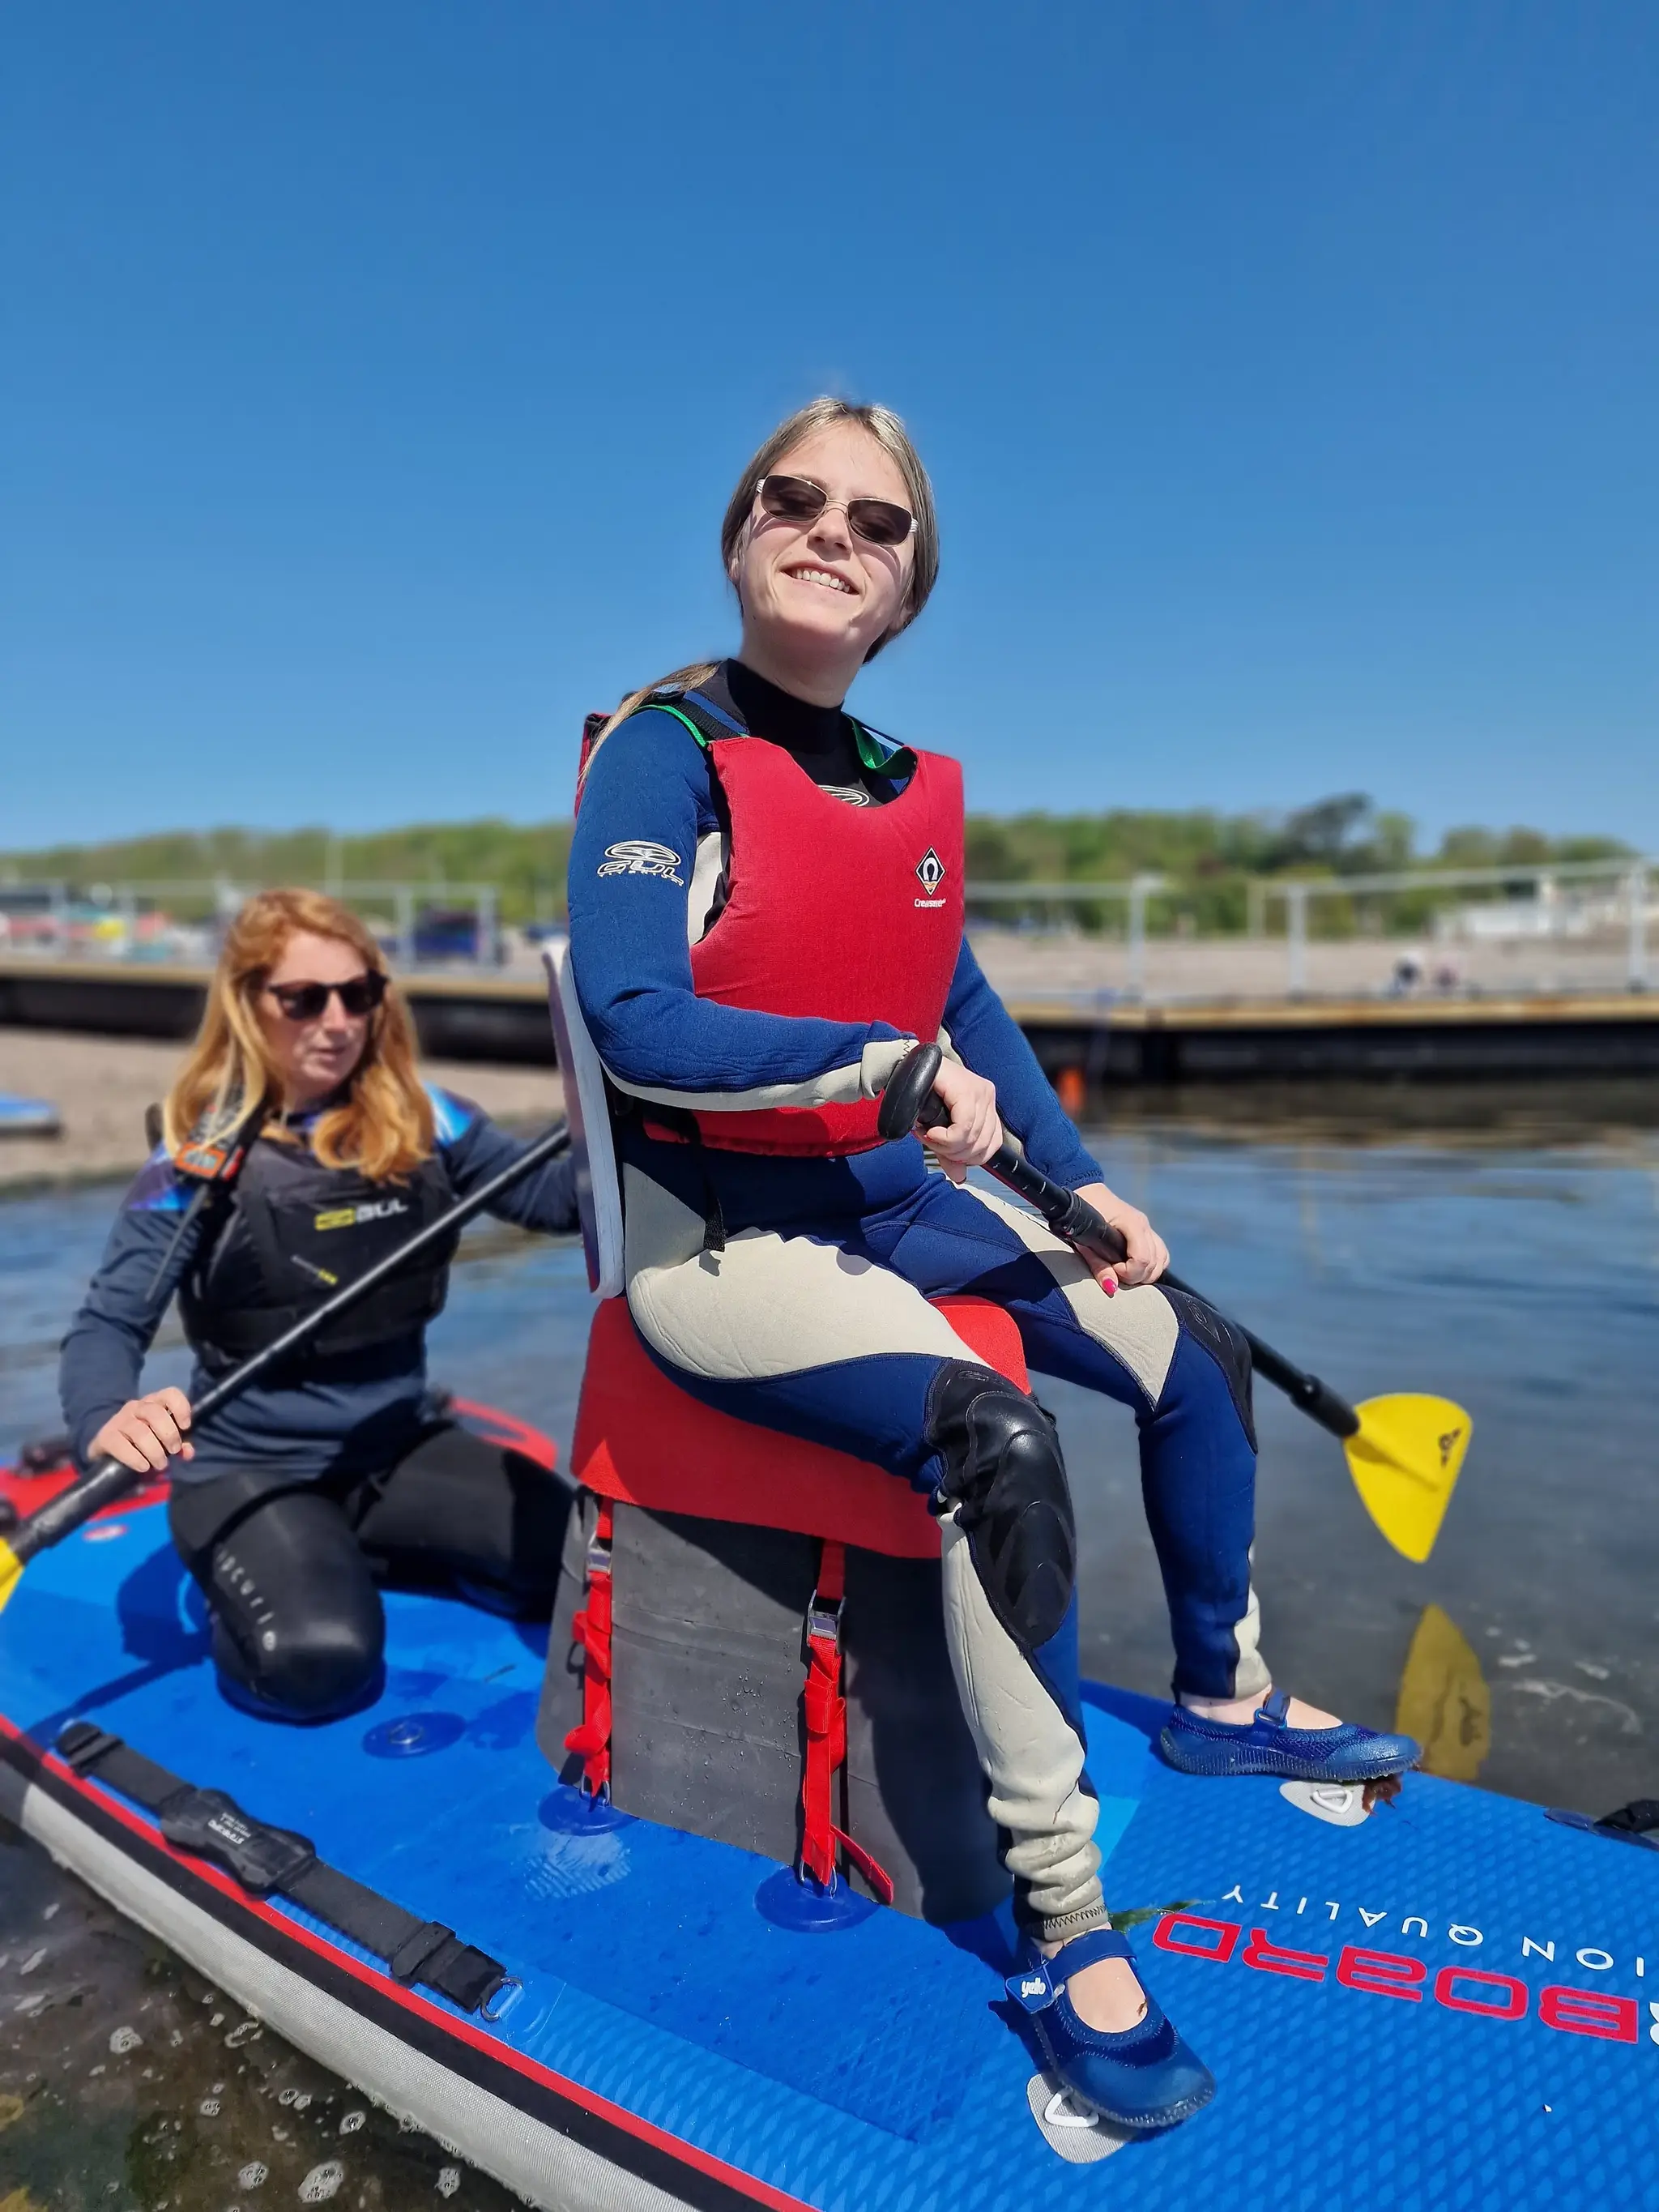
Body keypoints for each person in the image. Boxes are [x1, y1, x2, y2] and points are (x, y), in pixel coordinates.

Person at [565, 398, 1418, 2132]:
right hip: (725, 1241)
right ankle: (1062, 1921)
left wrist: (1082, 1185)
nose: (830, 533)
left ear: (906, 591)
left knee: (1190, 1345)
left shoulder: (900, 789)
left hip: (895, 1202)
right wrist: (876, 1077)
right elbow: (632, 1012)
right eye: (793, 501)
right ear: (738, 536)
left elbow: (963, 1008)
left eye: (874, 523)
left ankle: (1219, 1694)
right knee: (997, 1442)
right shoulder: (664, 753)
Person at [60, 888, 578, 1723]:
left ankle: (355, 1550)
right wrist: (104, 1417)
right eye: (303, 1000)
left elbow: (555, 1202)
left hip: (393, 1449)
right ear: (249, 1006)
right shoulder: (196, 1157)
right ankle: (302, 1566)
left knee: (575, 1564)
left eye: (358, 993)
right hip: (248, 1468)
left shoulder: (425, 1118)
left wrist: (623, 1129)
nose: (336, 1021)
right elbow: (109, 1323)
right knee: (317, 1664)